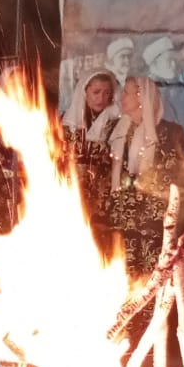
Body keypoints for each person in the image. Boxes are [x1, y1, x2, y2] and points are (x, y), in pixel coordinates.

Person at [103, 75, 184, 276]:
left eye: (127, 92)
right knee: (120, 273)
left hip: (152, 221)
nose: (121, 97)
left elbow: (173, 175)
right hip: (121, 219)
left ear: (141, 97)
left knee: (150, 276)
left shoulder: (169, 133)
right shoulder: (117, 131)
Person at [61, 69, 118, 252]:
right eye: (96, 92)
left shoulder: (116, 122)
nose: (101, 98)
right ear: (85, 91)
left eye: (107, 93)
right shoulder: (67, 121)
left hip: (102, 193)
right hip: (71, 188)